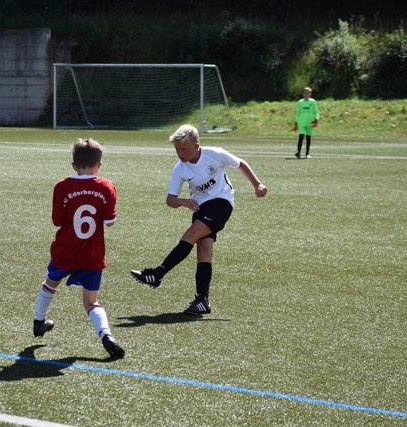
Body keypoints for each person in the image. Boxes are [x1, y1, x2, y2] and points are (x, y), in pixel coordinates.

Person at [131, 124, 268, 315]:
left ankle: (157, 273)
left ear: (197, 146)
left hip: (222, 203)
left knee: (190, 235)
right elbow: (170, 200)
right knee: (203, 253)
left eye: (184, 149)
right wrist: (182, 201)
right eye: (177, 149)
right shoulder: (180, 168)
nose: (180, 153)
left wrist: (257, 184)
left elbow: (240, 164)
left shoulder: (214, 154)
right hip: (200, 208)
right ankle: (203, 301)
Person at [33, 138, 125, 360]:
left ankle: (38, 321)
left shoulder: (62, 186)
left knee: (51, 283)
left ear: (73, 164)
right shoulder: (106, 187)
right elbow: (109, 223)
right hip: (91, 253)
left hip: (65, 250)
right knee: (91, 302)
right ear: (99, 164)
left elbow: (57, 223)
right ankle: (106, 336)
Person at [294, 87, 319, 159]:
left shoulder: (313, 102)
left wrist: (316, 119)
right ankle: (298, 153)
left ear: (310, 94)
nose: (306, 94)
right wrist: (296, 122)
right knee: (301, 137)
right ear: (303, 93)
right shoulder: (300, 102)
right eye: (305, 92)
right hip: (302, 122)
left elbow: (316, 111)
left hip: (310, 122)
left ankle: (307, 153)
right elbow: (298, 112)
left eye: (308, 92)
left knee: (308, 138)